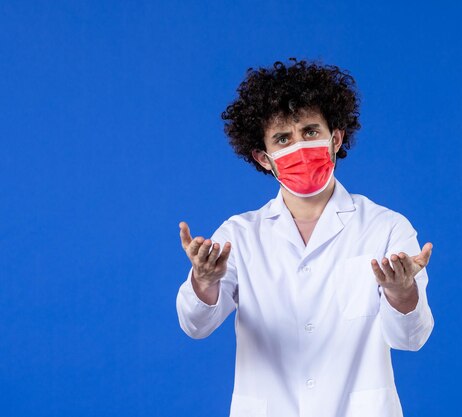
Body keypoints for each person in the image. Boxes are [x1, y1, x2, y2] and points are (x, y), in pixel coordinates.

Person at [176, 58, 435, 417]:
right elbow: (196, 325)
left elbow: (411, 338)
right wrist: (204, 281)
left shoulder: (385, 227)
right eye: (283, 138)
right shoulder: (239, 235)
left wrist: (401, 291)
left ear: (335, 138)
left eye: (310, 132)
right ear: (264, 158)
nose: (299, 146)